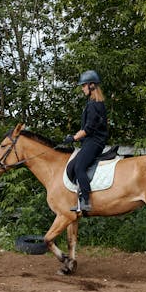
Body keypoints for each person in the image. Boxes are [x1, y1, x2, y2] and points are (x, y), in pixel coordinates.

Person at [63, 69, 109, 212]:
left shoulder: (95, 105)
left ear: (91, 86)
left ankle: (86, 201)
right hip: (90, 141)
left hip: (94, 142)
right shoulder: (92, 103)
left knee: (79, 167)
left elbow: (88, 129)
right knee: (74, 165)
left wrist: (73, 138)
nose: (82, 89)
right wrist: (75, 136)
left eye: (83, 86)